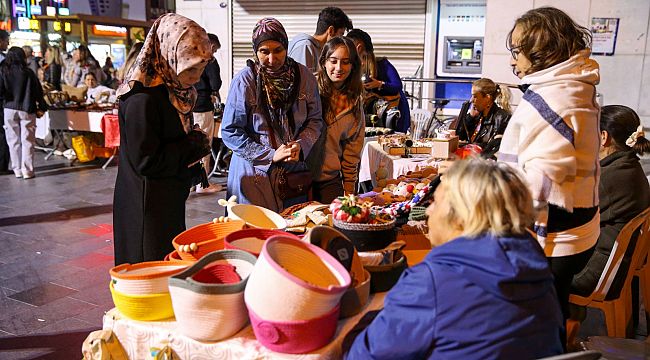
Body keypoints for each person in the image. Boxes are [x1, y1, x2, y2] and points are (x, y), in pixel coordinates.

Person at [343, 159, 564, 359]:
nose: (428, 211)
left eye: (435, 202)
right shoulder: (534, 264)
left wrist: (358, 326)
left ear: (460, 216)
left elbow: (362, 355)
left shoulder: (433, 282)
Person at [497, 7, 601, 321]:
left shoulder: (557, 97)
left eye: (517, 51)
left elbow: (539, 183)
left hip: (559, 237)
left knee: (540, 321)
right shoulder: (571, 86)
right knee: (551, 312)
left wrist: (481, 178)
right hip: (578, 225)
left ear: (541, 51)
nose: (513, 60)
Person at [113, 13, 213, 265]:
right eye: (190, 69)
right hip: (146, 208)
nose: (197, 78)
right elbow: (146, 161)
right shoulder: (142, 99)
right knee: (149, 269)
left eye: (201, 68)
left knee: (168, 264)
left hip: (166, 198)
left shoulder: (171, 91)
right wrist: (192, 146)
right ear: (168, 56)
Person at [221, 17, 323, 213]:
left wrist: (300, 146)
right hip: (253, 174)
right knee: (254, 235)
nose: (271, 58)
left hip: (292, 175)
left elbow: (315, 119)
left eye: (278, 50)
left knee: (290, 233)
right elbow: (229, 131)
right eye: (264, 51)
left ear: (286, 47)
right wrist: (269, 155)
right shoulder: (245, 81)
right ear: (255, 51)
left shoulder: (304, 78)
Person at [571, 105, 650, 298]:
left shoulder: (609, 179)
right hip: (613, 264)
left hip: (596, 273)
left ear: (603, 137)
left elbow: (567, 216)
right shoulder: (628, 166)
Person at [308, 36, 364, 203]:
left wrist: (349, 189)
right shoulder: (309, 87)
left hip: (329, 178)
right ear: (324, 61)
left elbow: (351, 152)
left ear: (353, 66)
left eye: (346, 62)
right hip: (297, 176)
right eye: (333, 61)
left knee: (333, 225)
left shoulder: (354, 103)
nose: (339, 68)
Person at [346, 29, 410, 133]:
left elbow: (397, 85)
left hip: (393, 112)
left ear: (359, 47)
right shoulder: (349, 65)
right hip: (372, 116)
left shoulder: (382, 63)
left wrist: (379, 84)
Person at [0, 47, 48, 179]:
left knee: (12, 141)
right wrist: (43, 107)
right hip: (27, 109)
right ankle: (27, 170)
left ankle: (17, 170)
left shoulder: (4, 71)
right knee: (27, 140)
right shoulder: (29, 73)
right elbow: (38, 92)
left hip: (9, 108)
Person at [191, 33, 223, 194]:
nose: (215, 53)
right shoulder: (209, 61)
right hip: (203, 106)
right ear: (210, 45)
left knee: (192, 144)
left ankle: (192, 182)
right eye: (215, 49)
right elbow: (215, 83)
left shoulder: (191, 56)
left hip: (190, 105)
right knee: (203, 144)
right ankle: (203, 184)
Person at [455, 78, 511, 158]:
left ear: (487, 98)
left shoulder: (502, 118)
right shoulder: (477, 115)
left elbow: (495, 148)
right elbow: (458, 137)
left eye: (475, 96)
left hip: (484, 163)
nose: (471, 100)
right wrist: (470, 117)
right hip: (470, 158)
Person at [288, 7, 353, 74]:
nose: (341, 39)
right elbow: (303, 80)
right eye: (341, 34)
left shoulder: (320, 49)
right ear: (331, 30)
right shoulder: (305, 47)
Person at [0, 30, 10, 174]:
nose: (7, 43)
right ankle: (2, 166)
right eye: (6, 40)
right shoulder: (3, 61)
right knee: (3, 134)